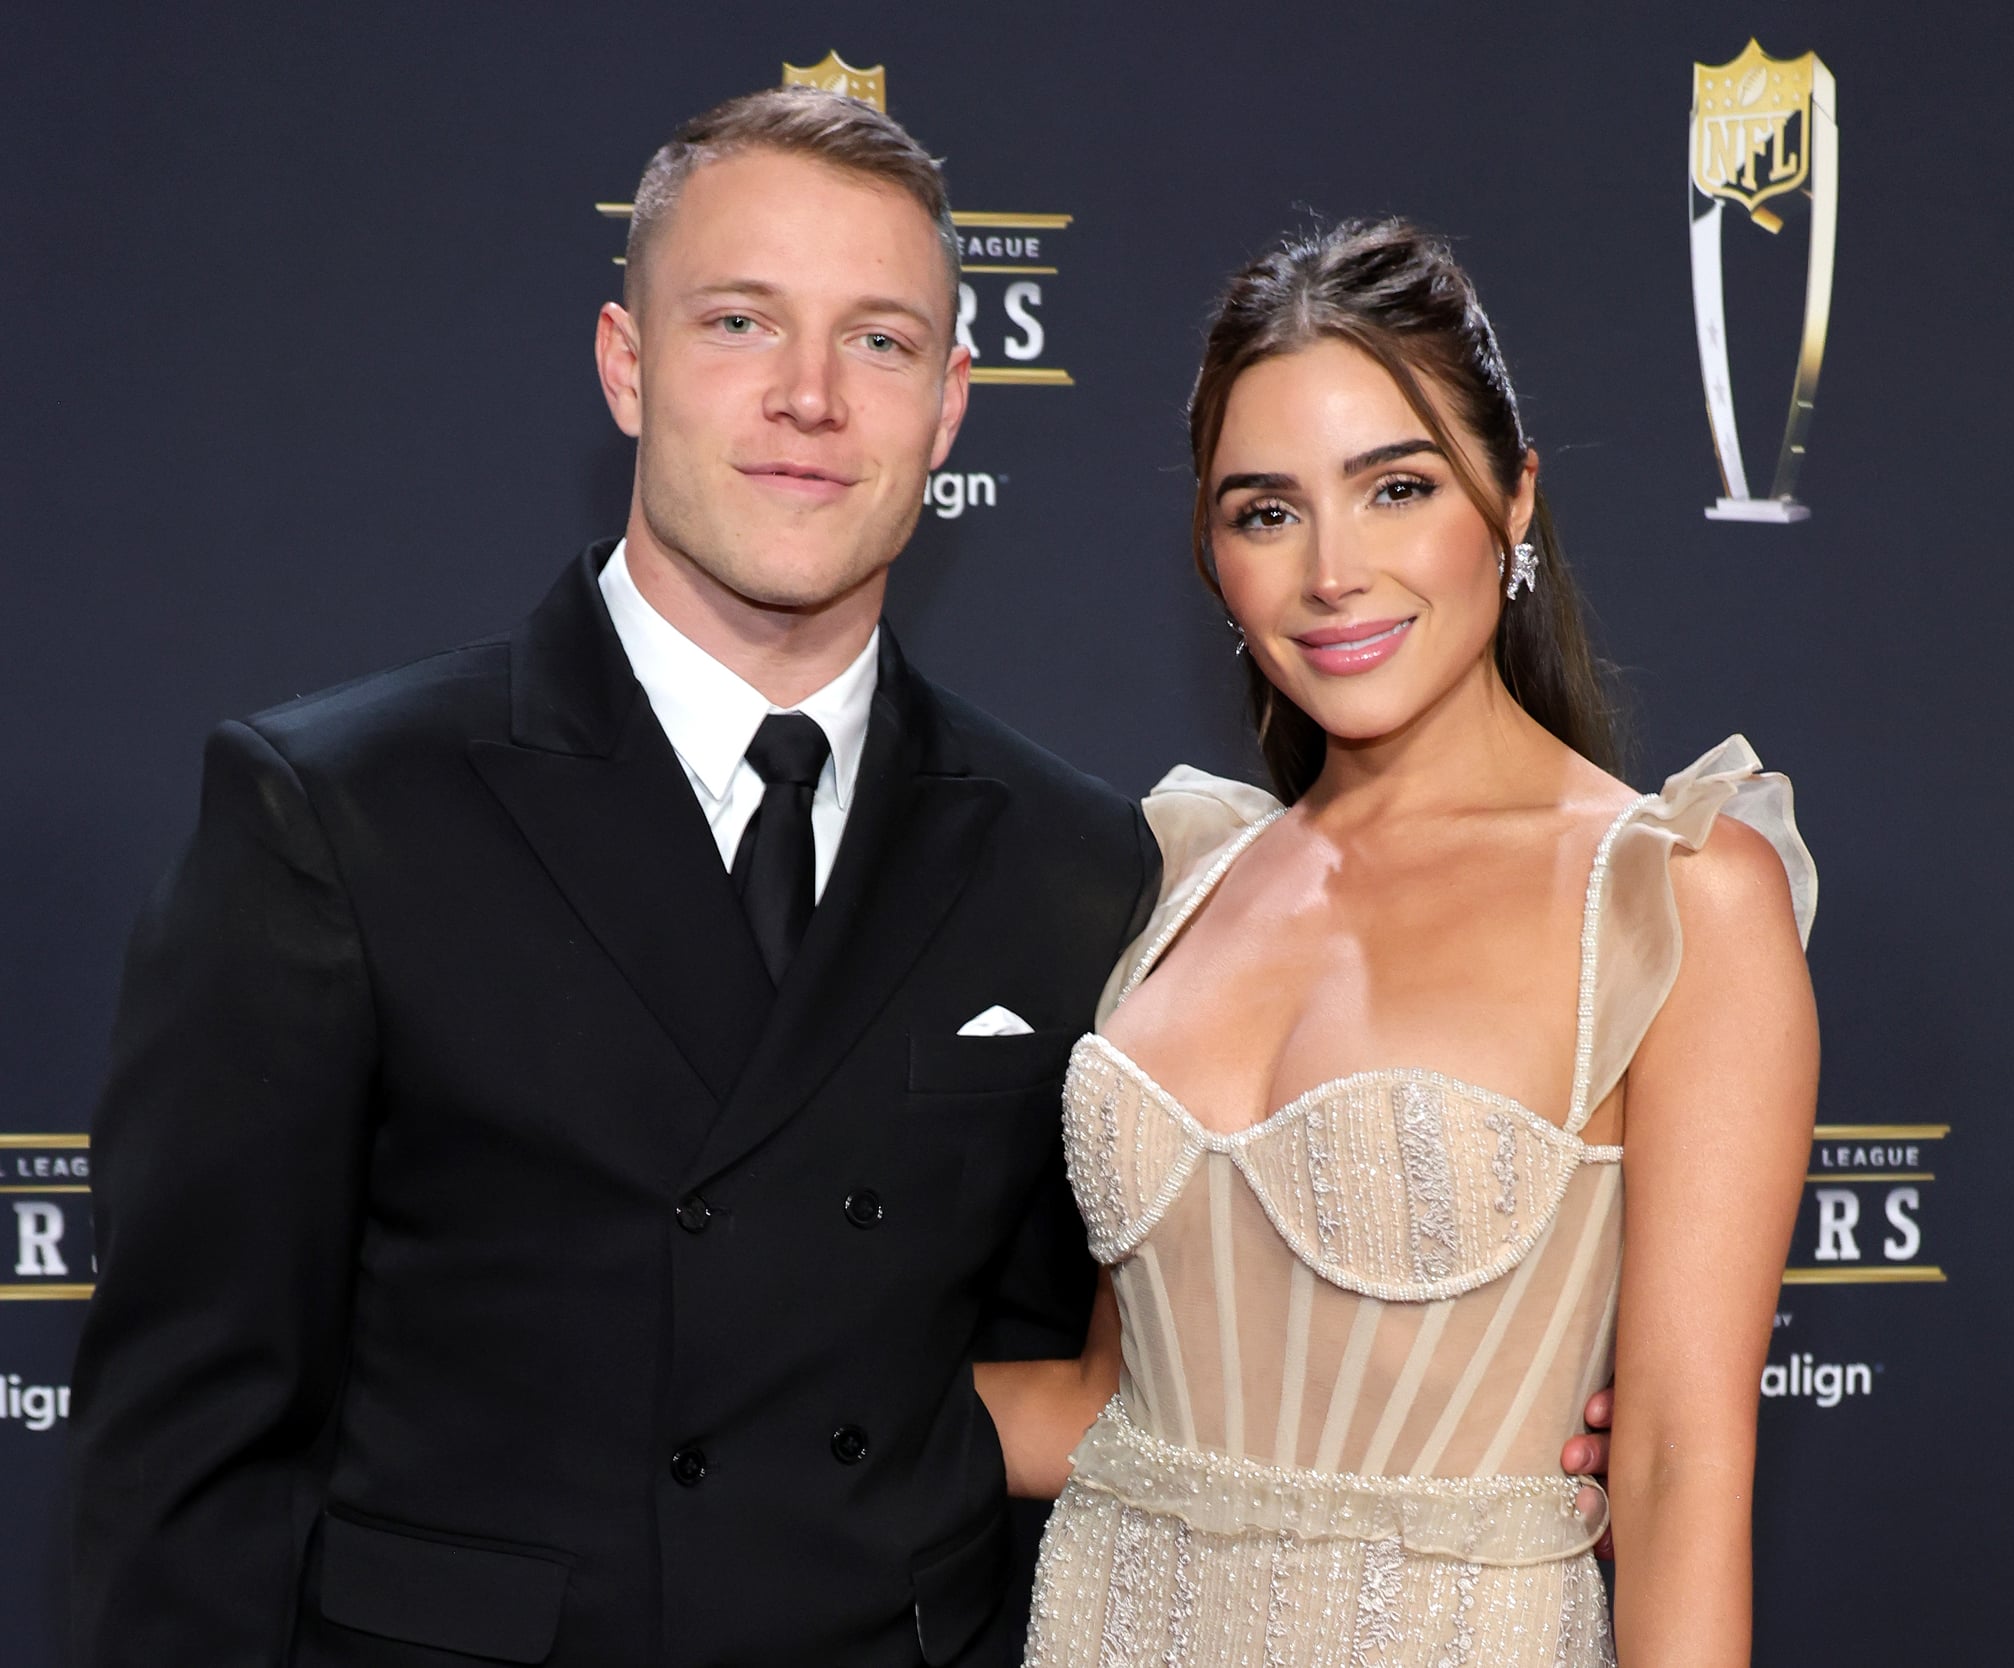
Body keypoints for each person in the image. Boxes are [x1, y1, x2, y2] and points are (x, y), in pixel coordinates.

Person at [66, 88, 1161, 1668]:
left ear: (950, 406)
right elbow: (188, 1452)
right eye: (739, 323)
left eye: (880, 342)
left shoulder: (1068, 856)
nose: (809, 397)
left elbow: (1087, 1375)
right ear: (625, 364)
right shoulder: (338, 813)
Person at [991, 221, 1818, 1665]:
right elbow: (1101, 1407)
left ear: (1512, 502)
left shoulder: (1676, 894)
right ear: (1212, 555)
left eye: (1395, 487)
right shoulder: (1180, 879)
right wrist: (700, 1386)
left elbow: (1683, 1470)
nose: (1332, 571)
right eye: (1265, 512)